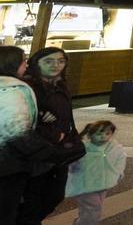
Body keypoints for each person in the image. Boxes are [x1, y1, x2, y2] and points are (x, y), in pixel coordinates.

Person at [18, 47, 80, 225]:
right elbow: (24, 119)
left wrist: (68, 136)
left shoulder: (59, 84)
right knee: (34, 198)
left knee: (54, 195)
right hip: (39, 150)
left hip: (58, 149)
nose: (56, 65)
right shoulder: (30, 86)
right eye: (48, 61)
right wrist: (51, 131)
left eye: (60, 61)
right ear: (36, 63)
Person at [65, 121, 126, 225]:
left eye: (107, 134)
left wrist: (119, 172)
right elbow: (71, 162)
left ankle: (81, 222)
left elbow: (120, 160)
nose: (103, 137)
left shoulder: (114, 148)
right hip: (84, 185)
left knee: (91, 209)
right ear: (89, 135)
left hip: (103, 184)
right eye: (99, 134)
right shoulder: (83, 149)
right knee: (94, 208)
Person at [1, 46, 37, 223]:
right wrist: (54, 153)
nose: (26, 65)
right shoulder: (13, 89)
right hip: (9, 164)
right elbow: (18, 133)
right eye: (24, 61)